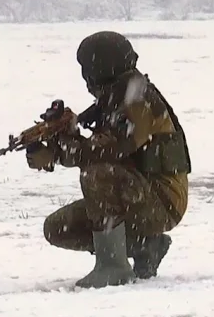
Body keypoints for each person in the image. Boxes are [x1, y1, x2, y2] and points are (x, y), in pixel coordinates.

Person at [26, 31, 191, 289]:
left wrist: (60, 150)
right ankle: (146, 247)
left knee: (96, 174)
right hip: (136, 195)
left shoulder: (138, 99)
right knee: (57, 228)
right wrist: (60, 139)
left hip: (163, 201)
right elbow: (97, 147)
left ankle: (113, 267)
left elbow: (105, 152)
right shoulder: (115, 97)